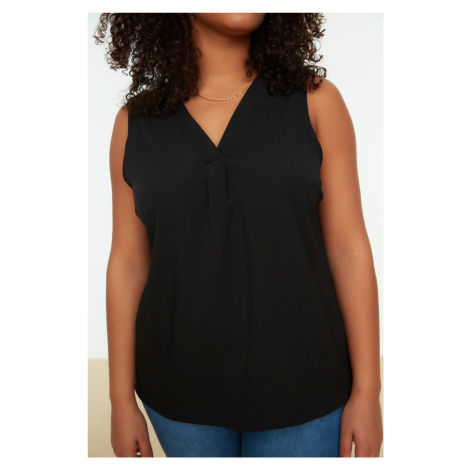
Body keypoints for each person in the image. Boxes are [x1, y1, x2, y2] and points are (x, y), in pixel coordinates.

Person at [94, 13, 383, 457]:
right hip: (178, 391)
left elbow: (349, 249)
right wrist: (119, 399)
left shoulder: (315, 101)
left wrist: (367, 391)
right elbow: (128, 264)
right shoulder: (135, 123)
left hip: (307, 385)